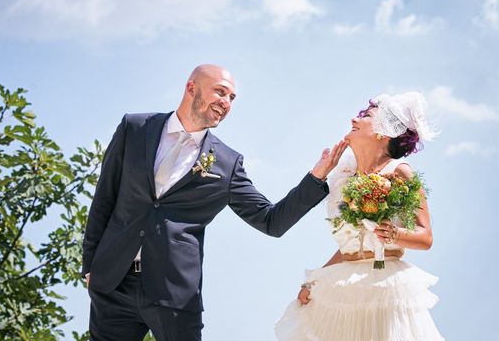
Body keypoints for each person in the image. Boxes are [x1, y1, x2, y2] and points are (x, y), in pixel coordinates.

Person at [82, 64, 347, 341]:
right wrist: (90, 265)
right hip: (113, 283)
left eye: (232, 98)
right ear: (191, 87)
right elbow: (104, 199)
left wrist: (316, 176)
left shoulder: (227, 163)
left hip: (174, 293)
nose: (226, 102)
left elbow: (271, 220)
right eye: (220, 92)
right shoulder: (134, 128)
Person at [275, 92, 444, 341]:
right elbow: (351, 246)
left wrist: (394, 234)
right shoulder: (344, 179)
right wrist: (315, 281)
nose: (354, 119)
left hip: (386, 286)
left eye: (365, 115)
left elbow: (425, 237)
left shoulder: (400, 173)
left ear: (382, 132)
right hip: (345, 284)